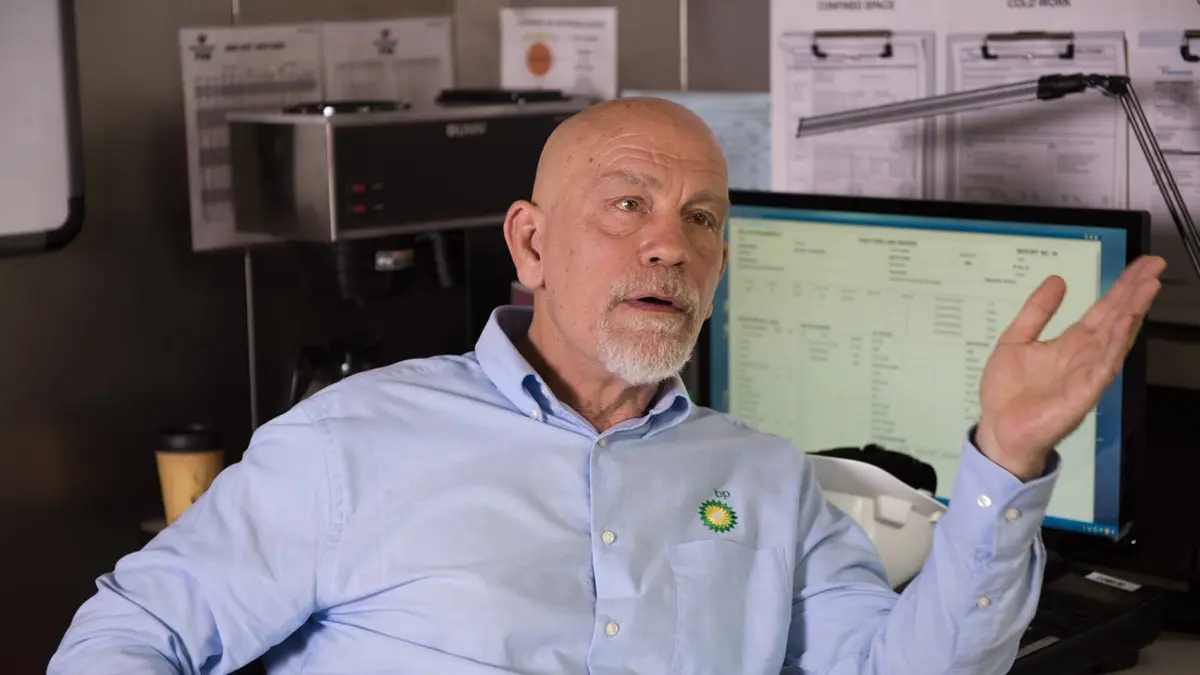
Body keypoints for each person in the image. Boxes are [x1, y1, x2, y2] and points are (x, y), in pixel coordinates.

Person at [48, 97, 1165, 675]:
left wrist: (1006, 457)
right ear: (531, 243)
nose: (670, 244)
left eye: (701, 219)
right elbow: (133, 632)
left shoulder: (766, 479)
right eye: (628, 204)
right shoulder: (351, 440)